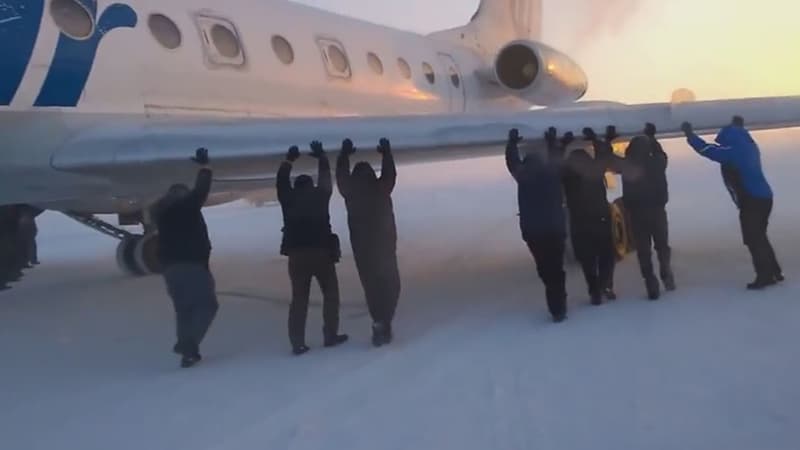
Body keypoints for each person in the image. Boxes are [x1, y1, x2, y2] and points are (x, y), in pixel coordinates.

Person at [681, 118, 783, 289]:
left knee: (753, 239)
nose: (720, 143)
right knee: (760, 236)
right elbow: (732, 141)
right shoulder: (749, 145)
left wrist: (690, 135)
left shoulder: (732, 153)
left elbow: (707, 150)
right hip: (764, 197)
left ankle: (765, 276)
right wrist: (737, 126)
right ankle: (774, 271)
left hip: (752, 200)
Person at [278, 142, 348, 355]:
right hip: (321, 254)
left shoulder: (288, 198)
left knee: (299, 299)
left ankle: (297, 342)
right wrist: (322, 157)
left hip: (297, 256)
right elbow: (327, 179)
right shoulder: (320, 197)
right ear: (311, 185)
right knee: (331, 295)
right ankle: (330, 335)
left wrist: (289, 159)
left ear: (296, 187)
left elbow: (281, 182)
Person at [153, 148, 218, 368]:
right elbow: (201, 191)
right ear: (181, 195)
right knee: (208, 306)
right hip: (192, 266)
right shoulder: (184, 208)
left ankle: (188, 352)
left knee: (184, 310)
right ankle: (188, 345)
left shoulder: (160, 212)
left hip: (170, 270)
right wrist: (205, 168)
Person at [337, 137, 400, 347]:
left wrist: (343, 155)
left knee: (372, 287)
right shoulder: (378, 189)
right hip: (384, 246)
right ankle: (384, 321)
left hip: (362, 250)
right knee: (391, 285)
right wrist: (386, 154)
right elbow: (390, 176)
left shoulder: (351, 193)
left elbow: (341, 178)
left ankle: (379, 321)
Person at [506, 128, 568, 323]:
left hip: (534, 233)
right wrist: (553, 141)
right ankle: (558, 307)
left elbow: (512, 163)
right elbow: (557, 160)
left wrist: (512, 143)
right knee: (557, 270)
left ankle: (555, 300)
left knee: (545, 269)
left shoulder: (523, 176)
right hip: (554, 230)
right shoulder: (551, 173)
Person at [559, 130, 617, 305]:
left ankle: (594, 291)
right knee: (606, 255)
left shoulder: (567, 176)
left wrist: (563, 145)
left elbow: (555, 164)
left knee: (587, 259)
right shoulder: (595, 170)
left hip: (579, 223)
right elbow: (603, 155)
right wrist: (597, 139)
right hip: (601, 219)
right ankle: (605, 285)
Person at [622, 126, 675, 300]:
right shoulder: (656, 163)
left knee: (643, 251)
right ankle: (666, 274)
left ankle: (651, 285)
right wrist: (652, 138)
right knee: (662, 246)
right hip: (657, 211)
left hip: (637, 215)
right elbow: (662, 155)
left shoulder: (627, 167)